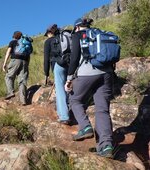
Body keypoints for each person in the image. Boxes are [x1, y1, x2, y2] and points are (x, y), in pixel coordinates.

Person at [65, 18, 114, 158]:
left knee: (74, 100)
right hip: (106, 74)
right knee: (102, 109)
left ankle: (85, 126)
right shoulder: (99, 33)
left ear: (77, 27)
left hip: (87, 73)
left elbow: (74, 58)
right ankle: (106, 147)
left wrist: (69, 79)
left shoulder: (77, 35)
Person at [43, 24, 70, 125]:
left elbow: (46, 59)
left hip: (58, 66)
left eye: (47, 34)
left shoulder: (48, 41)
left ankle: (64, 116)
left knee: (60, 90)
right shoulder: (64, 38)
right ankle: (65, 111)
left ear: (49, 33)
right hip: (70, 64)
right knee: (68, 88)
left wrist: (46, 73)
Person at [2, 31, 31, 105]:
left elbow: (8, 52)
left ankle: (10, 92)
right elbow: (28, 54)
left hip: (15, 60)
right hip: (25, 61)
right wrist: (26, 63)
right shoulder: (25, 43)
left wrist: (4, 63)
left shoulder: (12, 42)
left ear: (14, 36)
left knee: (9, 77)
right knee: (22, 81)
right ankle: (23, 100)